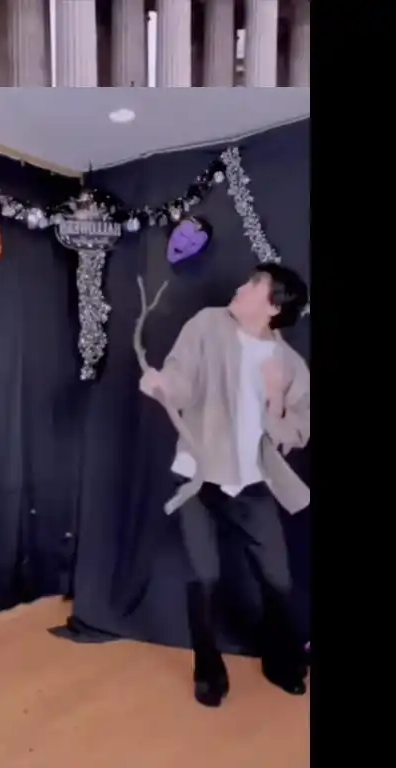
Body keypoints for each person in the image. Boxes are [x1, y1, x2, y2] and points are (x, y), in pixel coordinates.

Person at [139, 262, 310, 707]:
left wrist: (276, 396)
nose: (241, 287)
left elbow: (296, 433)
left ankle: (281, 661)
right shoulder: (207, 325)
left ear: (273, 307)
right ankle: (208, 669)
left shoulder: (290, 364)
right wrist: (161, 385)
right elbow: (181, 380)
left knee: (278, 579)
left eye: (254, 285)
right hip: (198, 475)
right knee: (204, 576)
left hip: (251, 484)